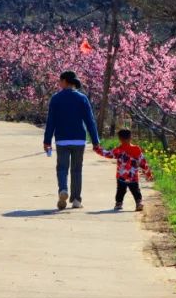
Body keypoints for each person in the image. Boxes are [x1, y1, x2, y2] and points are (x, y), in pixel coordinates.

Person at [43, 70, 102, 210]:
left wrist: (47, 141)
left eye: (59, 81)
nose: (58, 83)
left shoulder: (56, 98)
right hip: (79, 140)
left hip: (62, 139)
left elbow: (50, 121)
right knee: (77, 170)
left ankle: (63, 190)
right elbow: (90, 121)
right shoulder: (82, 98)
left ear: (64, 81)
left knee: (62, 168)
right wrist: (95, 141)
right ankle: (76, 200)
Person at [98, 128, 153, 212]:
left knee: (120, 191)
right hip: (133, 176)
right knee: (136, 191)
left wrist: (97, 149)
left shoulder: (118, 150)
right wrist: (148, 173)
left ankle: (118, 204)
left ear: (120, 139)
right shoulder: (136, 149)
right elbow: (143, 162)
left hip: (121, 176)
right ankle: (138, 203)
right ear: (130, 138)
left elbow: (107, 154)